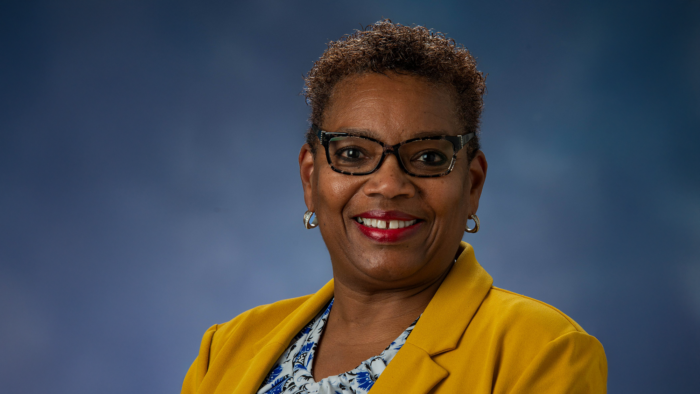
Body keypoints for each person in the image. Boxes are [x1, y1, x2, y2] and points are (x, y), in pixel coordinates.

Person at [181, 20, 607, 394]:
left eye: (428, 157)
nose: (388, 185)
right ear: (310, 178)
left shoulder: (540, 350)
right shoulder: (226, 348)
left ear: (472, 183)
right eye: (351, 154)